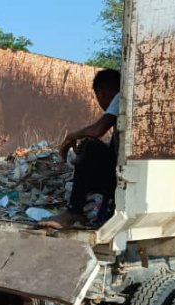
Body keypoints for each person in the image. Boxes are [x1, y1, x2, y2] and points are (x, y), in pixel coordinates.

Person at [46, 68, 121, 228]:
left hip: (117, 180)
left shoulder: (120, 97)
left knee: (91, 145)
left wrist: (72, 135)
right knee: (90, 147)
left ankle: (74, 211)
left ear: (101, 92)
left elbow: (97, 131)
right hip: (120, 180)